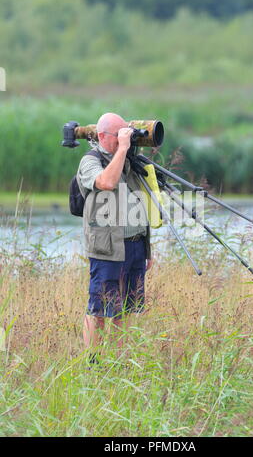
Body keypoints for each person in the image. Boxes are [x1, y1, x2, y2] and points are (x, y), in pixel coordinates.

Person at [76, 112, 153, 365]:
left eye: (126, 133)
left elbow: (142, 204)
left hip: (134, 246)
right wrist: (122, 149)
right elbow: (106, 182)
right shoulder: (91, 160)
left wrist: (147, 250)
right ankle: (93, 362)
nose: (125, 139)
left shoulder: (131, 160)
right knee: (99, 309)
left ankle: (120, 364)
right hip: (107, 248)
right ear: (101, 136)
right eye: (118, 135)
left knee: (126, 311)